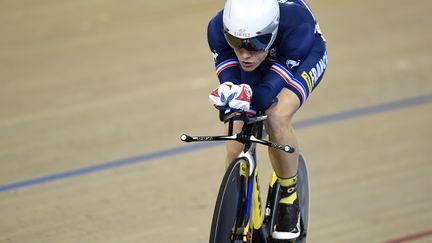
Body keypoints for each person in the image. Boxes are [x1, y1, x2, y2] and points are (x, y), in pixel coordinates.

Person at [207, 0, 327, 240]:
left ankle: (289, 197)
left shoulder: (298, 27)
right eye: (236, 44)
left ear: (271, 32)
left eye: (254, 45)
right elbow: (232, 81)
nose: (244, 54)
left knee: (275, 116)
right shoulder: (216, 28)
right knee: (234, 142)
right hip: (266, 58)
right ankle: (243, 209)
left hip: (302, 56)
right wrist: (230, 93)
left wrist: (250, 96)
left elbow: (265, 94)